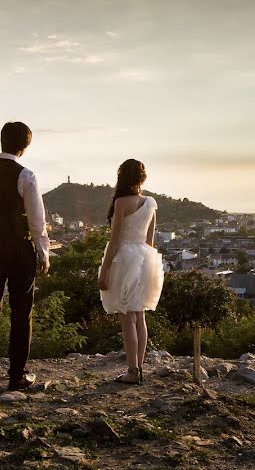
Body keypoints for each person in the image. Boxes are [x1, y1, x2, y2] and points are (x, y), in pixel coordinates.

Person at [0, 121, 50, 392]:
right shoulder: (26, 176)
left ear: (1, 141)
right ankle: (16, 376)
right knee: (21, 311)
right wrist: (43, 251)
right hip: (19, 248)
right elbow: (37, 220)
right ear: (24, 146)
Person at [98, 159, 164, 384]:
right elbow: (150, 240)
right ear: (142, 178)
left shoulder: (121, 203)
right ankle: (139, 369)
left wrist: (104, 270)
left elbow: (115, 240)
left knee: (127, 317)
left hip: (124, 259)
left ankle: (132, 371)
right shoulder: (151, 203)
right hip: (145, 258)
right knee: (139, 315)